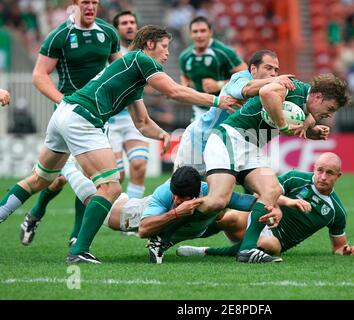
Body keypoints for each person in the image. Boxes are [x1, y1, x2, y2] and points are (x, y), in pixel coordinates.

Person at [0, 25, 239, 264]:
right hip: (83, 117)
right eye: (164, 47)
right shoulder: (140, 59)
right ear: (149, 45)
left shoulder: (132, 74)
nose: (167, 53)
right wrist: (217, 100)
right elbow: (174, 91)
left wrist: (162, 135)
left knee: (39, 180)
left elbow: (143, 122)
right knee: (110, 188)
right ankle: (78, 251)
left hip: (64, 112)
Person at [196, 74, 349, 263]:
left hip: (251, 147)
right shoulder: (292, 88)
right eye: (330, 108)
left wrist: (311, 131)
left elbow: (299, 123)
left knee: (273, 190)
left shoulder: (306, 108)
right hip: (230, 137)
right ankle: (171, 227)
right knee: (217, 202)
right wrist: (282, 126)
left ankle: (247, 250)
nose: (330, 114)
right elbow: (266, 92)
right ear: (318, 97)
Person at [19, 0, 122, 246]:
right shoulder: (60, 35)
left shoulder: (108, 33)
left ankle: (76, 233)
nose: (90, 6)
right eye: (85, 2)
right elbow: (38, 76)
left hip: (96, 116)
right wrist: (63, 101)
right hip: (68, 117)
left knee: (91, 175)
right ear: (74, 4)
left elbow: (119, 69)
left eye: (94, 2)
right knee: (57, 180)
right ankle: (36, 213)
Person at [177, 152, 354, 259]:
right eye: (320, 170)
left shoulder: (337, 211)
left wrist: (346, 251)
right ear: (314, 168)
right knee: (229, 216)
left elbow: (338, 246)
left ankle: (206, 252)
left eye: (329, 173)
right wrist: (286, 203)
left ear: (338, 176)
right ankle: (175, 236)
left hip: (275, 241)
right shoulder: (295, 178)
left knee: (270, 244)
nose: (322, 177)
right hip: (261, 220)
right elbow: (261, 193)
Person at [102, 165, 269, 264]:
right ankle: (74, 168)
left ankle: (163, 241)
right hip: (133, 213)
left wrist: (276, 204)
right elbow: (144, 230)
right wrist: (175, 212)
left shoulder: (211, 193)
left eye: (182, 197)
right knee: (96, 202)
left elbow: (252, 201)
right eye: (175, 194)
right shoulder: (165, 193)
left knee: (223, 216)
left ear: (196, 193)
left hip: (188, 226)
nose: (176, 199)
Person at [174, 49, 296, 175]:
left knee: (265, 182)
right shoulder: (240, 78)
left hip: (231, 145)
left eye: (276, 70)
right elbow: (246, 89)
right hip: (201, 139)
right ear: (253, 69)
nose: (273, 74)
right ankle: (156, 196)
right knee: (182, 186)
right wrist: (274, 80)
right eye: (268, 68)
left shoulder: (269, 92)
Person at [107, 10, 150, 199]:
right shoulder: (108, 53)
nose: (130, 25)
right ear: (116, 30)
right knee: (118, 175)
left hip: (133, 117)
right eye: (124, 23)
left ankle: (131, 217)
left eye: (132, 22)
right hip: (111, 119)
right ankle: (111, 213)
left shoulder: (143, 54)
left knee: (139, 165)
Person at [179, 16, 248, 122]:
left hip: (225, 108)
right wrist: (185, 85)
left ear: (210, 32)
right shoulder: (185, 56)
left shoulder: (224, 52)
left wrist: (219, 84)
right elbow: (184, 75)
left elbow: (247, 76)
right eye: (195, 31)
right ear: (190, 34)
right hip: (200, 108)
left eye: (203, 31)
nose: (199, 35)